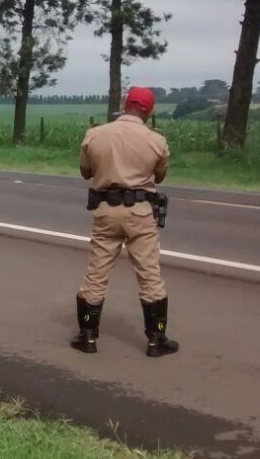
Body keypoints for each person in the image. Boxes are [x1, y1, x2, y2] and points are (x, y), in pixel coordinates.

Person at [71, 87, 179, 357]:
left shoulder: (95, 134)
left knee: (96, 273)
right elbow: (160, 176)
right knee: (149, 275)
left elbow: (86, 172)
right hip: (141, 213)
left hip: (106, 210)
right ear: (149, 110)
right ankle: (156, 340)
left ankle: (87, 337)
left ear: (124, 104)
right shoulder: (156, 140)